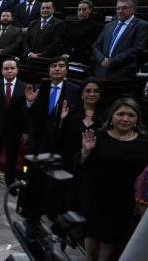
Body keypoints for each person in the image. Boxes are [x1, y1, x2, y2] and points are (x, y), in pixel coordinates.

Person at [79, 98, 148, 261]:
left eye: (131, 115)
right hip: (95, 199)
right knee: (91, 247)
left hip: (124, 204)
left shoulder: (144, 144)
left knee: (108, 250)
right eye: (120, 114)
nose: (125, 119)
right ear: (112, 116)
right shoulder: (98, 137)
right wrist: (86, 152)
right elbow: (82, 169)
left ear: (137, 119)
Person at [55, 78, 103, 211]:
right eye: (88, 91)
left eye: (96, 91)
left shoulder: (105, 118)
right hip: (68, 162)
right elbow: (58, 139)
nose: (92, 94)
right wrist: (60, 121)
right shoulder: (70, 112)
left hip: (90, 166)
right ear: (81, 94)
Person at [0, 59, 28, 193]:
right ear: (2, 71)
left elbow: (26, 112)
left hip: (14, 131)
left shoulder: (25, 87)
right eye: (6, 68)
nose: (9, 71)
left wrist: (25, 131)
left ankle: (10, 182)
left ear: (17, 70)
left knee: (11, 159)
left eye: (12, 68)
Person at [24, 56, 81, 154]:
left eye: (61, 66)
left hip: (60, 140)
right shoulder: (39, 88)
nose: (57, 68)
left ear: (67, 70)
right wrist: (29, 102)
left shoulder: (75, 90)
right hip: (37, 139)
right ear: (49, 70)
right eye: (54, 66)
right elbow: (30, 114)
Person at [92, 0, 148, 80]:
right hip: (101, 73)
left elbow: (137, 48)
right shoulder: (108, 25)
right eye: (118, 8)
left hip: (122, 74)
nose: (120, 11)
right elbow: (96, 45)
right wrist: (102, 59)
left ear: (133, 9)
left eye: (124, 8)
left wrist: (111, 61)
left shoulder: (141, 25)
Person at [61, 0, 102, 65]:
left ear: (90, 10)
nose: (81, 12)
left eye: (84, 10)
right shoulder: (72, 25)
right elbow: (66, 42)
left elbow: (88, 46)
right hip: (66, 58)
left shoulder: (96, 27)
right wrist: (64, 53)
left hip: (82, 60)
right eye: (79, 10)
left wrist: (70, 55)